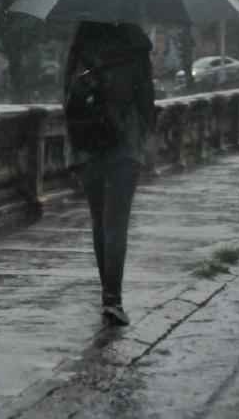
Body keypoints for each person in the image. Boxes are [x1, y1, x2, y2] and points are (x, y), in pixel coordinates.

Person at [63, 20, 156, 326]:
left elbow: (68, 97)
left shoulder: (81, 44)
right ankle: (112, 299)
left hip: (87, 143)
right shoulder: (136, 46)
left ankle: (108, 292)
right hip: (125, 143)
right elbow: (147, 102)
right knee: (116, 222)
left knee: (98, 219)